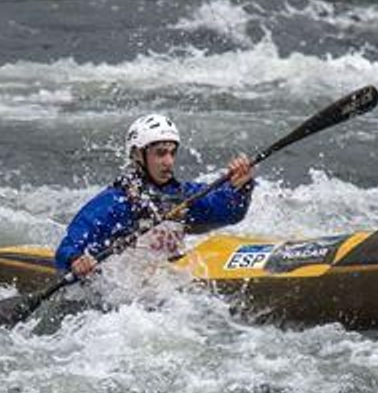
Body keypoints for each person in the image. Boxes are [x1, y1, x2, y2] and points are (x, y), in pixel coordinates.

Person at [54, 113, 254, 277]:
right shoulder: (116, 201)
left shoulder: (184, 196)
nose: (168, 161)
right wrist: (75, 260)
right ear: (138, 155)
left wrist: (240, 187)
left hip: (169, 283)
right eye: (160, 153)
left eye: (172, 153)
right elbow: (69, 245)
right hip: (128, 295)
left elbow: (230, 212)